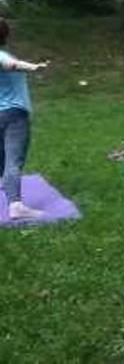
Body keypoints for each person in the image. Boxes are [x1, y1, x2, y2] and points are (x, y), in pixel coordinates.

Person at [0, 18, 49, 220]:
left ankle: (5, 185)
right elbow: (11, 65)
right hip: (13, 114)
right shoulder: (2, 55)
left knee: (1, 156)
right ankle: (16, 206)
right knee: (14, 160)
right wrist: (34, 67)